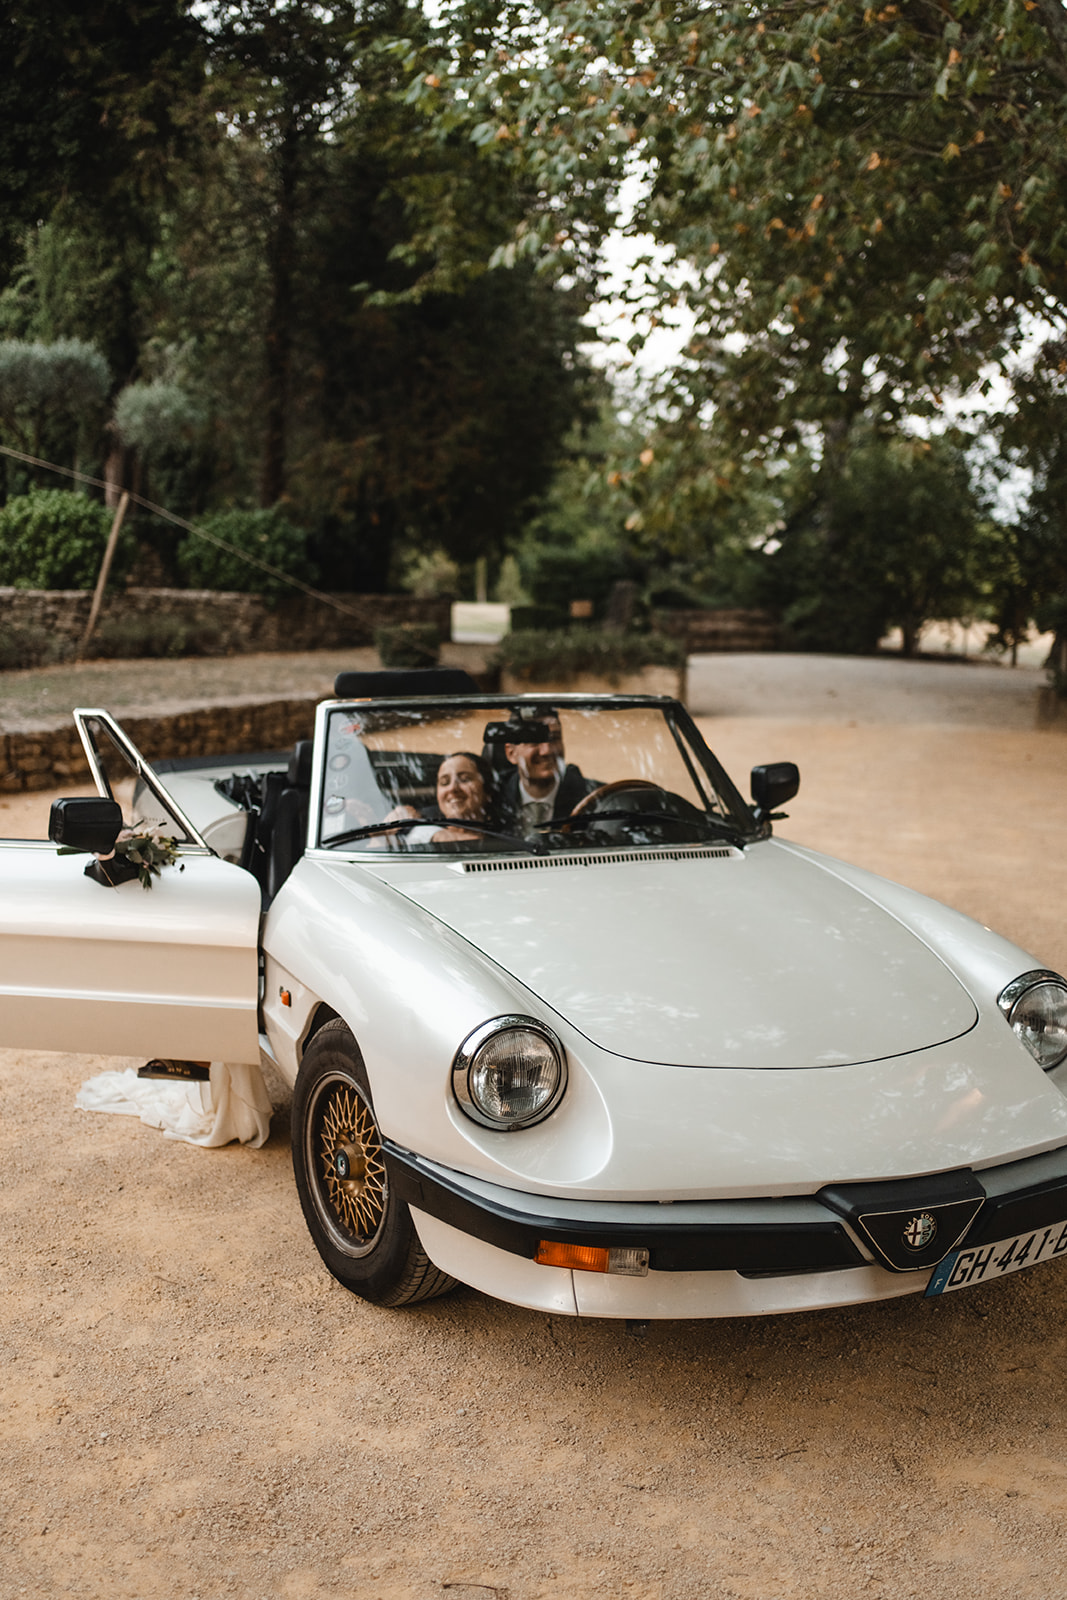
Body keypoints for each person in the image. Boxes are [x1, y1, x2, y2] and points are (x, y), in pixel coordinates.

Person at [498, 708, 594, 833]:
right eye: (534, 741)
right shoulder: (493, 801)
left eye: (554, 739)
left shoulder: (593, 800)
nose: (547, 751)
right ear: (511, 753)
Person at [382, 751, 496, 844]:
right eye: (444, 783)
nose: (452, 788)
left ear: (487, 791)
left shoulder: (504, 837)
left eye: (464, 779)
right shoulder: (416, 824)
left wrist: (433, 834)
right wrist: (388, 829)